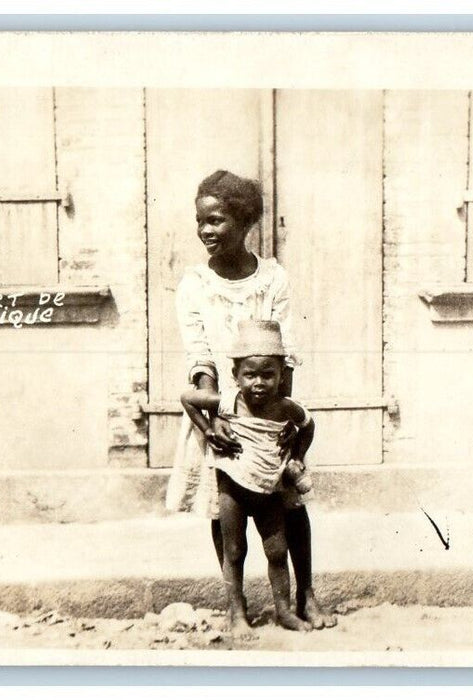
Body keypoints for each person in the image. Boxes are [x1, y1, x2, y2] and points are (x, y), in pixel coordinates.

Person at [164, 169, 336, 629]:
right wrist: (212, 420)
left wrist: (281, 423)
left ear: (244, 223)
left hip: (269, 407)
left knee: (289, 508)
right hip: (219, 412)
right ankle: (235, 606)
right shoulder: (194, 285)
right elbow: (199, 357)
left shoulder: (272, 280)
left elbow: (286, 352)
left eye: (216, 221)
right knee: (226, 513)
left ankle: (305, 596)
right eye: (200, 221)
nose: (206, 231)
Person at [180, 320, 316, 637]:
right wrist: (208, 427)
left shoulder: (286, 408)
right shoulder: (229, 401)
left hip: (270, 488)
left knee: (277, 551)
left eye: (268, 375)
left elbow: (308, 425)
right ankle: (237, 612)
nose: (258, 383)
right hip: (232, 490)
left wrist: (296, 453)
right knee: (235, 550)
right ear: (236, 376)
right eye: (250, 374)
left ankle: (283, 611)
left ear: (282, 375)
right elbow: (188, 399)